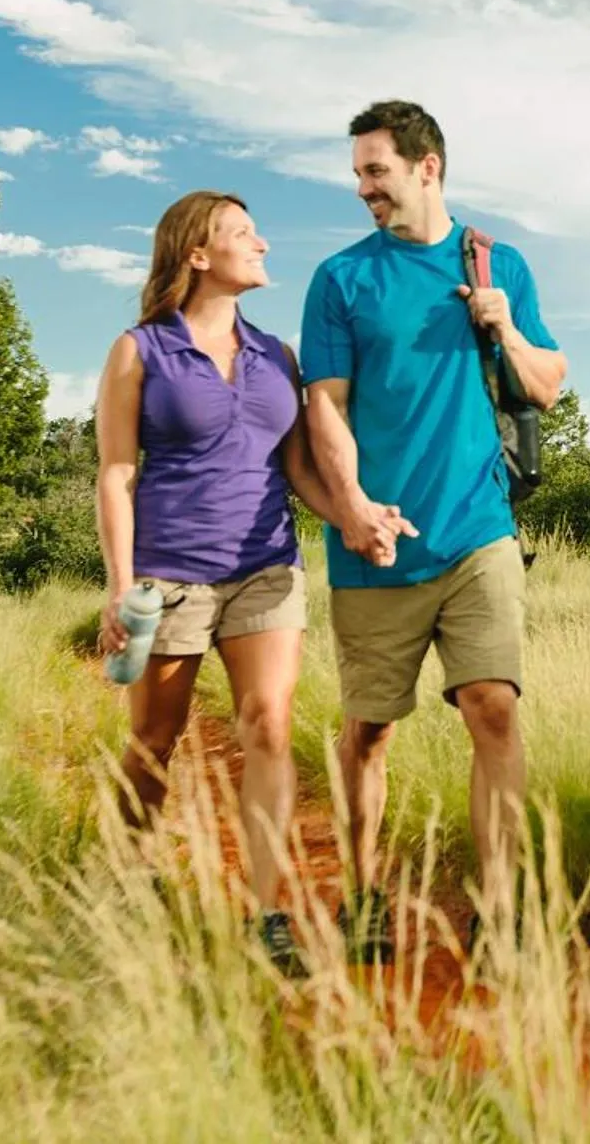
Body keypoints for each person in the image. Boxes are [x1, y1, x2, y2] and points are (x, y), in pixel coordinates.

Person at [95, 190, 412, 975]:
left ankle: (267, 915)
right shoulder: (140, 351)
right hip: (169, 574)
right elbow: (116, 473)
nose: (262, 242)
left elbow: (297, 467)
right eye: (243, 233)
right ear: (198, 254)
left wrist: (353, 516)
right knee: (154, 741)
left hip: (266, 567)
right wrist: (120, 584)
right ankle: (127, 876)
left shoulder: (277, 356)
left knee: (268, 724)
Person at [300, 100, 568, 960]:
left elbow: (547, 383)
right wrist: (351, 506)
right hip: (375, 543)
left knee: (494, 708)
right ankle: (365, 899)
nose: (363, 189)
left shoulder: (498, 263)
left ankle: (499, 914)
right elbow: (324, 408)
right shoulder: (341, 280)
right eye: (358, 174)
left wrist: (504, 324)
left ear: (427, 167)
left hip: (478, 530)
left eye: (375, 171)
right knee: (369, 733)